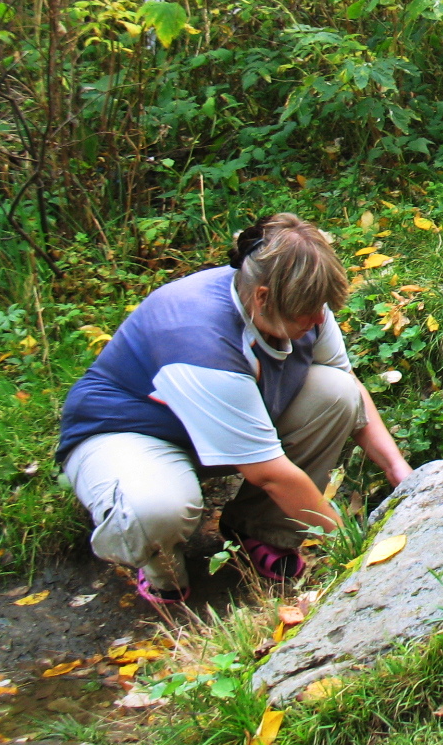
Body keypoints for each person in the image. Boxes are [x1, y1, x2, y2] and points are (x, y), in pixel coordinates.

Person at [56, 213, 413, 603]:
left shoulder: (302, 303)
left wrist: (400, 472)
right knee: (155, 508)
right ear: (262, 297)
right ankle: (161, 569)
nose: (317, 320)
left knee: (337, 391)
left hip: (219, 422)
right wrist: (356, 552)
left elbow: (351, 392)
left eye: (322, 309)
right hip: (131, 433)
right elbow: (271, 474)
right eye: (306, 313)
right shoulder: (198, 342)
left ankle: (260, 531)